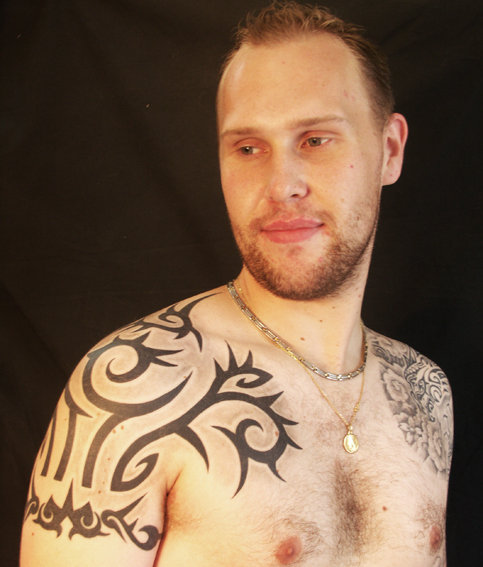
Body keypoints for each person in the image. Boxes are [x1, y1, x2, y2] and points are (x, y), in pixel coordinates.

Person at [20, 2, 453, 565]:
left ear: (389, 150)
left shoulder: (424, 393)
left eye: (316, 139)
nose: (282, 185)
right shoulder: (135, 390)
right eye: (248, 148)